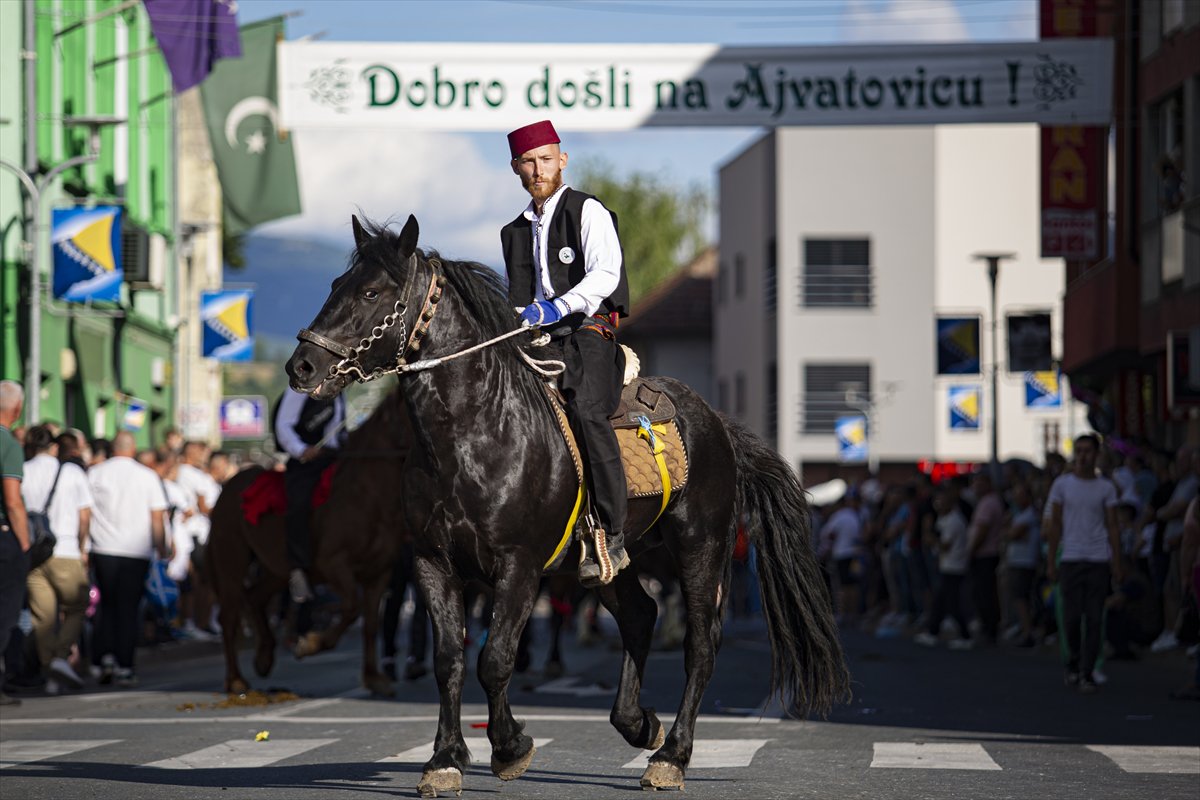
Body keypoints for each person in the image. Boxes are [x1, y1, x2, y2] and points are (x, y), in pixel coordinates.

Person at [500, 119, 631, 585]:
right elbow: (518, 297)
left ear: (563, 159)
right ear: (516, 167)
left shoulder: (587, 210)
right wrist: (519, 320)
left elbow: (604, 275)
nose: (539, 169)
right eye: (529, 162)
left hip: (589, 331)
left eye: (546, 159)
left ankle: (612, 531)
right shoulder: (512, 231)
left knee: (587, 410)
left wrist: (555, 307)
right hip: (539, 337)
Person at [87, 431, 169, 686]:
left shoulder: (96, 473)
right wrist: (162, 547)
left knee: (106, 606)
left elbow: (85, 512)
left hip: (103, 549)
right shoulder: (147, 476)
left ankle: (103, 659)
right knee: (128, 609)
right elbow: (157, 517)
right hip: (136, 552)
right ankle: (125, 665)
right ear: (132, 449)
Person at [1045, 433, 1123, 694]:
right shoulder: (1062, 485)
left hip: (1098, 559)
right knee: (1070, 617)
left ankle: (1087, 671)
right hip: (1071, 558)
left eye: (1087, 451)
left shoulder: (1106, 488)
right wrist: (1051, 561)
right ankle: (1073, 663)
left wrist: (1117, 561)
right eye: (1078, 451)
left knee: (1094, 618)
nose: (1082, 456)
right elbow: (1054, 524)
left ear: (1096, 454)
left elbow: (1113, 525)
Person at [21, 425, 93, 695]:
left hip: (34, 553)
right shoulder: (71, 472)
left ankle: (50, 668)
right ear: (53, 447)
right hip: (65, 549)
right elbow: (84, 515)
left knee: (43, 617)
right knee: (77, 605)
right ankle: (60, 658)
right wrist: (83, 546)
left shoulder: (24, 470)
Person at [275, 387, 346, 602]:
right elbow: (283, 425)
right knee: (299, 504)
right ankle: (298, 569)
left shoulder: (340, 389)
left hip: (334, 458)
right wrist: (301, 449)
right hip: (305, 462)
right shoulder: (299, 389)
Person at [0, 380, 30, 705]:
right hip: (3, 538)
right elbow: (13, 502)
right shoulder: (8, 443)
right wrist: (24, 545)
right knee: (5, 614)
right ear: (17, 410)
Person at [915, 484, 973, 650]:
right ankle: (933, 632)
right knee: (941, 601)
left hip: (955, 566)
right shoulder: (944, 518)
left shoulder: (955, 521)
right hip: (947, 564)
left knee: (951, 602)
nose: (938, 505)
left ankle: (965, 635)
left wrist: (929, 536)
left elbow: (944, 545)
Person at [967, 471, 1005, 644]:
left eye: (979, 482)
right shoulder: (985, 502)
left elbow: (983, 529)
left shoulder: (989, 503)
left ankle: (989, 628)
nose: (976, 486)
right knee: (984, 592)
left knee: (985, 593)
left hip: (986, 554)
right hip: (985, 553)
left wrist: (971, 549)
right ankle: (988, 626)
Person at [1004, 481, 1041, 648]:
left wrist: (1010, 532)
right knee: (1018, 597)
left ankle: (1028, 632)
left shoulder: (1029, 515)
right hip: (1017, 560)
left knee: (1021, 598)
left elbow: (1012, 534)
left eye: (1020, 495)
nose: (1017, 498)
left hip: (1025, 562)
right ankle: (1024, 628)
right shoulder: (1019, 514)